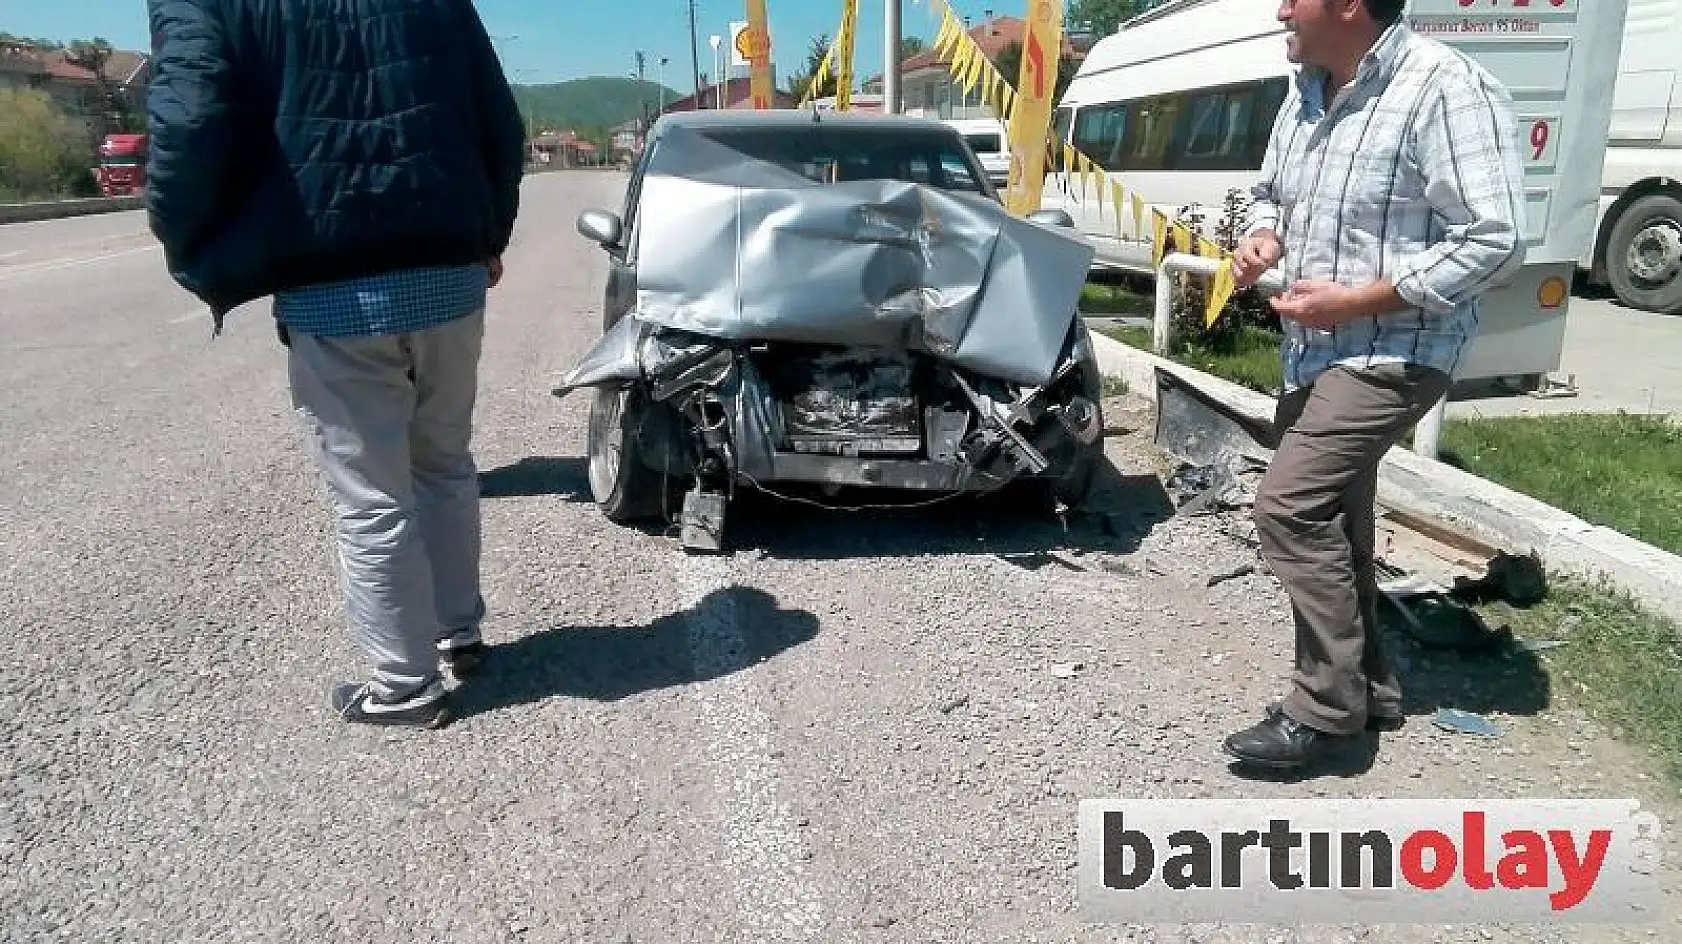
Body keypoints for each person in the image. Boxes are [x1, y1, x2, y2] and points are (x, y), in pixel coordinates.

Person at [146, 0, 527, 729]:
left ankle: (404, 685)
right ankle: (462, 633)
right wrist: (489, 233)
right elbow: (498, 123)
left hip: (332, 287)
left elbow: (189, 122)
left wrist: (190, 239)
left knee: (371, 494)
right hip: (449, 272)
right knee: (443, 461)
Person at [1223, 0, 1526, 768]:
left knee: (1289, 508)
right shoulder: (1305, 90)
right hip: (1313, 352)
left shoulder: (1443, 87)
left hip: (1398, 348)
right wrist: (1262, 237)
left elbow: (1495, 238)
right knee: (1337, 524)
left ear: (1350, 6)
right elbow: (1269, 193)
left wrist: (1360, 300)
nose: (1281, 7)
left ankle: (1325, 712)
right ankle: (1374, 688)